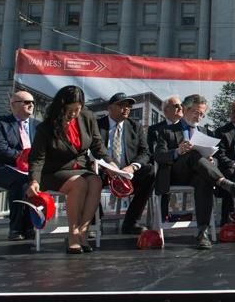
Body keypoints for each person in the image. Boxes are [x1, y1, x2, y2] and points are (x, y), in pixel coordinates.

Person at [154, 94, 235, 250]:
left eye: (202, 114)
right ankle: (224, 183)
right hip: (176, 174)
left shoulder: (206, 132)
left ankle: (202, 232)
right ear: (185, 109)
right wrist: (177, 151)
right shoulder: (167, 131)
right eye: (196, 113)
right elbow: (158, 156)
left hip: (200, 174)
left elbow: (216, 157)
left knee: (203, 180)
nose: (199, 117)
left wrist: (212, 161)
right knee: (192, 152)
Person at [27, 85, 107, 254]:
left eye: (77, 109)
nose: (73, 114)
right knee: (79, 184)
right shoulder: (46, 127)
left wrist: (111, 164)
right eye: (69, 110)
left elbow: (97, 145)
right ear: (60, 107)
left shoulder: (87, 117)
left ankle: (83, 231)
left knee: (96, 181)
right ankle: (72, 234)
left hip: (81, 167)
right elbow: (37, 158)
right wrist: (34, 180)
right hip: (56, 170)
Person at [97, 92, 156, 234]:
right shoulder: (97, 125)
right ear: (110, 108)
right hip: (104, 170)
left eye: (129, 106)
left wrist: (132, 167)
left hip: (127, 172)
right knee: (90, 175)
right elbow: (92, 149)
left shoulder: (135, 126)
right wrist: (106, 165)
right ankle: (95, 222)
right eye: (122, 105)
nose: (127, 109)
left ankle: (131, 222)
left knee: (150, 171)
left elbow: (145, 152)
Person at [0, 91, 40, 240]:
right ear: (13, 106)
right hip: (5, 168)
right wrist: (21, 157)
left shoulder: (38, 126)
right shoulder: (0, 124)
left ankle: (30, 226)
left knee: (32, 181)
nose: (30, 105)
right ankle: (17, 228)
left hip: (31, 169)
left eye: (32, 102)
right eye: (26, 102)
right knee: (22, 182)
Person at [146, 95, 183, 220]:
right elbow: (151, 153)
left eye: (181, 105)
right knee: (162, 172)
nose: (180, 108)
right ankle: (163, 217)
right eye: (176, 106)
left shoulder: (187, 128)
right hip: (163, 168)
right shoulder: (154, 130)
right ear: (166, 110)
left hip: (184, 168)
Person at [213, 100, 235, 225]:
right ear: (229, 113)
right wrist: (234, 163)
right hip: (231, 167)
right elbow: (219, 154)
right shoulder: (221, 131)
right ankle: (228, 216)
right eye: (234, 111)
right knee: (229, 174)